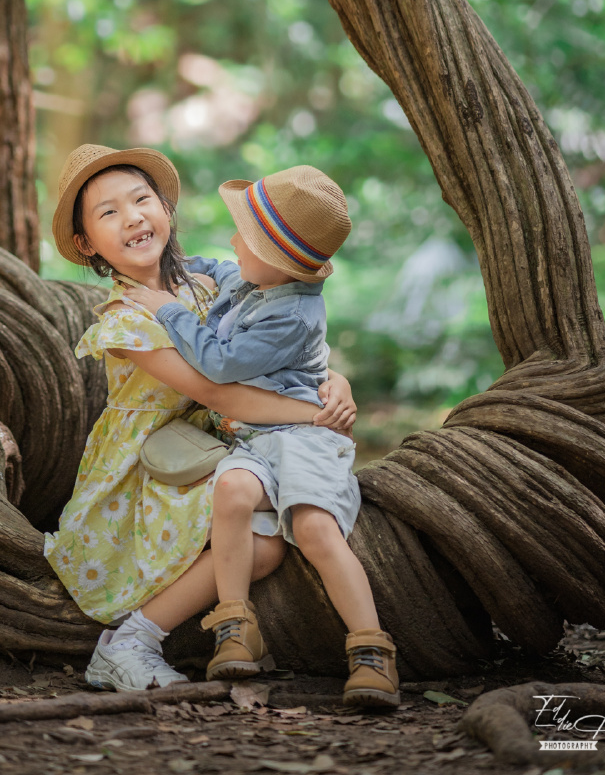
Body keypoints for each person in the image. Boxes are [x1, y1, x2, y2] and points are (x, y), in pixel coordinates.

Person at [43, 144, 356, 693]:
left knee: (273, 528)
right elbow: (223, 394)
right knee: (265, 544)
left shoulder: (211, 283)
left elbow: (285, 340)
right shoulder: (126, 319)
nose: (133, 217)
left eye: (142, 199)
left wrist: (334, 383)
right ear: (86, 243)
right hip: (152, 462)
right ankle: (131, 641)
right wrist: (316, 415)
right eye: (108, 212)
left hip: (220, 445)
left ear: (166, 208)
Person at [125, 166, 399, 709]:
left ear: (279, 262)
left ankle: (371, 652)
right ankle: (235, 624)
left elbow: (220, 365)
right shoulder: (254, 280)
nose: (231, 243)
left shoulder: (293, 314)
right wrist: (170, 270)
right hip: (255, 440)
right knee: (232, 495)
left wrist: (169, 309)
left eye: (244, 239)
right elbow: (215, 268)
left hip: (304, 437)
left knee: (317, 528)